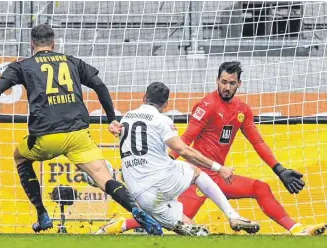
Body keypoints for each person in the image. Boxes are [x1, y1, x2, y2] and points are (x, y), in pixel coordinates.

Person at [96, 62, 326, 236]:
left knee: (261, 188)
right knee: (180, 221)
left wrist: (279, 168)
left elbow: (257, 141)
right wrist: (167, 162)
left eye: (231, 83)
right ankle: (122, 224)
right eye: (223, 82)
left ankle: (296, 229)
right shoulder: (206, 106)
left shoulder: (242, 109)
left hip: (220, 175)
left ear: (239, 84)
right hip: (198, 175)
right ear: (217, 81)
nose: (226, 87)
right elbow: (187, 138)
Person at [0, 24, 162, 235]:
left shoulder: (23, 66)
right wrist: (112, 119)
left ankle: (42, 215)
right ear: (54, 43)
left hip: (47, 136)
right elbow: (100, 86)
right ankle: (138, 212)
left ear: (31, 43)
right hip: (78, 135)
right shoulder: (72, 61)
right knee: (104, 178)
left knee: (20, 157)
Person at [98, 82, 260, 236]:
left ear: (144, 98)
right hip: (160, 182)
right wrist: (219, 168)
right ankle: (233, 215)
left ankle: (121, 224)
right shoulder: (161, 120)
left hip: (139, 193)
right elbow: (183, 150)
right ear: (166, 104)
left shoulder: (126, 117)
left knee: (198, 232)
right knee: (196, 172)